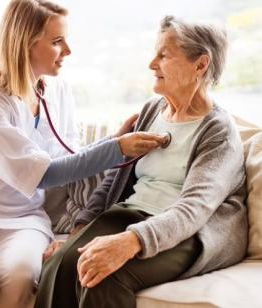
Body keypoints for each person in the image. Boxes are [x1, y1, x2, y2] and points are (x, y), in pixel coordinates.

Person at [0, 1, 164, 307]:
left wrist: (114, 139)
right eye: (57, 42)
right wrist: (117, 148)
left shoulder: (56, 90)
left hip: (23, 215)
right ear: (24, 44)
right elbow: (46, 174)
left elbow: (67, 158)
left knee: (20, 279)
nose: (68, 50)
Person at [35, 15, 248, 308]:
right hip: (133, 214)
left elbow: (193, 209)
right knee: (59, 263)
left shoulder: (218, 131)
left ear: (200, 64)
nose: (152, 64)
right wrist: (77, 235)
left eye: (164, 55)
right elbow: (115, 180)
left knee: (102, 276)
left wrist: (129, 242)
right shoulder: (152, 110)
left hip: (191, 232)